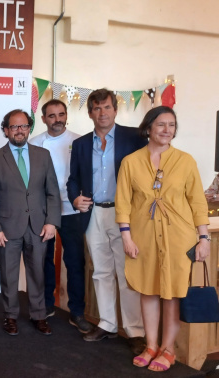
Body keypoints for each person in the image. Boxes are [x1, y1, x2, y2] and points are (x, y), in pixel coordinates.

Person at [116, 106, 209, 371]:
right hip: (143, 236)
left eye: (171, 125)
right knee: (148, 291)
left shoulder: (185, 161)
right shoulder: (131, 162)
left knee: (172, 294)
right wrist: (126, 236)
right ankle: (151, 345)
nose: (167, 130)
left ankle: (168, 350)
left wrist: (204, 238)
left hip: (179, 237)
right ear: (148, 128)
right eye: (160, 125)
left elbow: (198, 203)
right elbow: (123, 202)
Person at [67, 88, 147, 353]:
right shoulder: (80, 144)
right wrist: (75, 198)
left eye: (107, 107)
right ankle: (108, 323)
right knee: (101, 272)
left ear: (115, 109)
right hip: (93, 214)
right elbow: (73, 179)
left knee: (127, 273)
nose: (102, 113)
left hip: (125, 215)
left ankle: (135, 331)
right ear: (90, 113)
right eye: (97, 108)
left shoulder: (134, 137)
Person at [0, 109, 61, 336]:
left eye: (24, 126)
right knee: (9, 275)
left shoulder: (43, 155)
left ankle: (39, 315)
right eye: (14, 127)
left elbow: (52, 192)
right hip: (7, 229)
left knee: (38, 273)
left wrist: (51, 222)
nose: (19, 130)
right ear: (6, 130)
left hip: (39, 227)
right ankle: (10, 316)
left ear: (29, 128)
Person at [29, 99, 94, 334]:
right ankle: (46, 304)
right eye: (52, 115)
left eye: (61, 114)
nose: (57, 119)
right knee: (43, 259)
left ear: (66, 116)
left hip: (72, 210)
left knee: (75, 261)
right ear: (44, 118)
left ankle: (76, 312)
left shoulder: (80, 141)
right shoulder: (34, 143)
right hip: (44, 211)